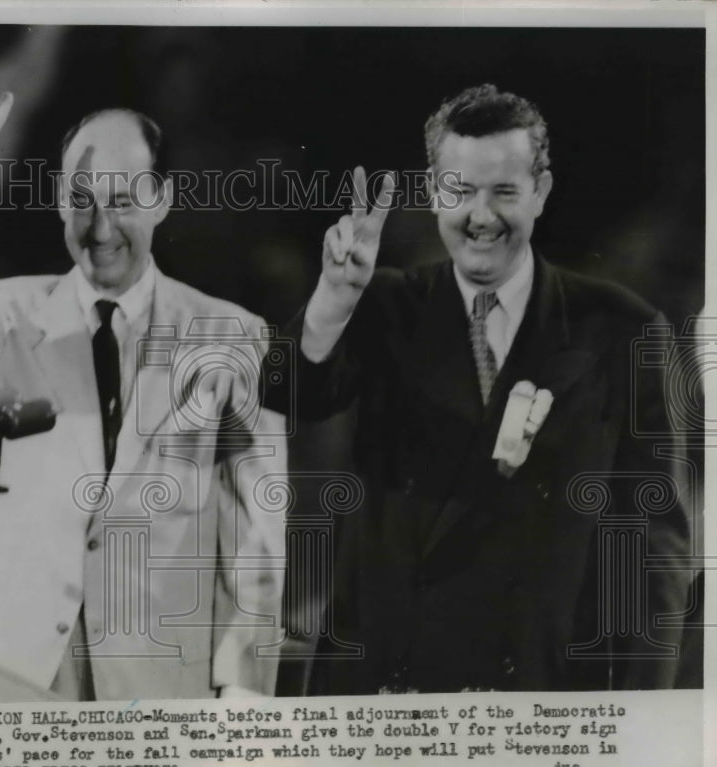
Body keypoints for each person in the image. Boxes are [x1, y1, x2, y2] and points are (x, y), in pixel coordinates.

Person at [0, 73, 285, 700]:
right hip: (7, 672)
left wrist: (244, 694)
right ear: (60, 203)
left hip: (157, 684)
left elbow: (258, 538)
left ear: (162, 200)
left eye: (122, 200)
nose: (101, 227)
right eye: (82, 199)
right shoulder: (4, 317)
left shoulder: (231, 335)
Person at [268, 84, 692, 693]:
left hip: (547, 698)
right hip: (389, 695)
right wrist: (331, 302)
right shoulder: (382, 306)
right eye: (460, 191)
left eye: (504, 192)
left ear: (541, 192)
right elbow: (288, 395)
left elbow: (652, 549)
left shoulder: (623, 329)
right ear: (432, 192)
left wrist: (643, 714)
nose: (481, 217)